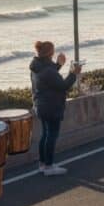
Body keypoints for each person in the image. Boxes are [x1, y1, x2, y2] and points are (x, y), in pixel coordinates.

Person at [30, 41, 81, 175]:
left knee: (45, 135)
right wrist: (73, 73)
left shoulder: (37, 66)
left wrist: (58, 65)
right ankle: (49, 166)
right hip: (51, 106)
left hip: (40, 105)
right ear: (51, 53)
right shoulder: (47, 70)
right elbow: (63, 85)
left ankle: (42, 164)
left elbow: (49, 78)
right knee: (51, 135)